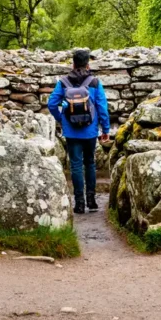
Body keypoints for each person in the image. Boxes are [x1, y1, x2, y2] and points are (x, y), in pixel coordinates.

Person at [48, 48, 111, 214]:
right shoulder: (95, 82)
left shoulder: (63, 82)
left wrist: (62, 118)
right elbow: (102, 107)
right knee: (90, 163)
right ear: (88, 64)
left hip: (71, 131)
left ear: (73, 63)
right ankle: (91, 200)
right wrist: (105, 129)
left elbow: (52, 104)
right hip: (90, 131)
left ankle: (79, 203)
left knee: (75, 165)